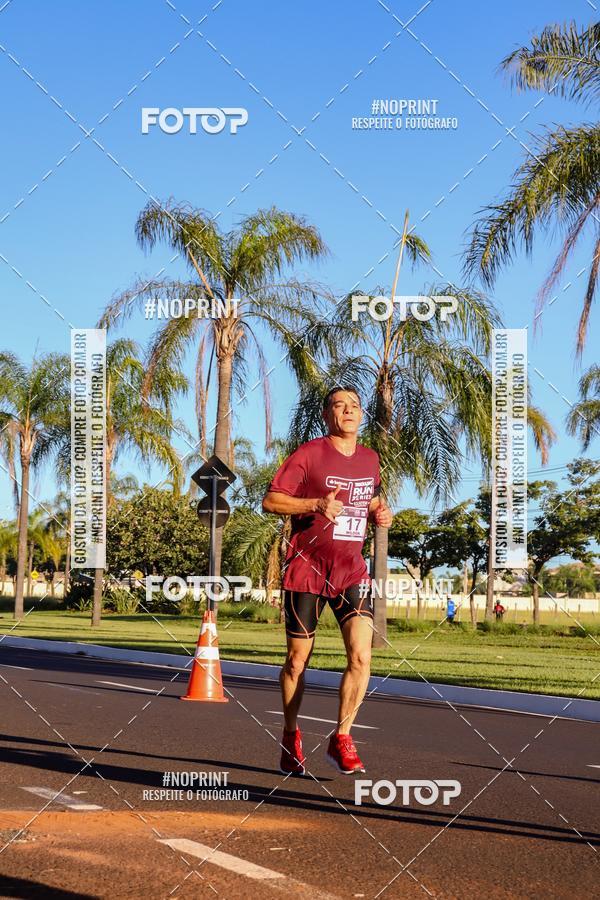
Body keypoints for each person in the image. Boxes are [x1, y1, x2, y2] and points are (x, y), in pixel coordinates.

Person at [263, 386, 392, 776]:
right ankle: (290, 736)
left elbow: (366, 498)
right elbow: (272, 500)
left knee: (361, 655)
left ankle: (342, 737)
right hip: (307, 569)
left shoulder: (371, 459)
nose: (349, 411)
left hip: (352, 571)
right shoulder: (309, 454)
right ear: (327, 415)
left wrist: (378, 510)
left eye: (355, 405)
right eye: (340, 405)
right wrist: (315, 504)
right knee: (297, 661)